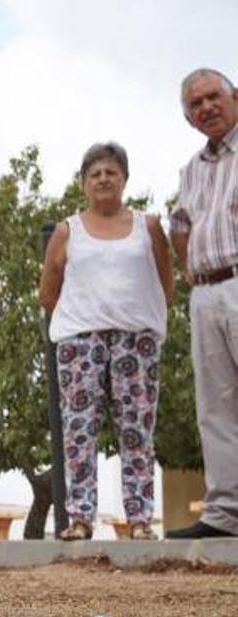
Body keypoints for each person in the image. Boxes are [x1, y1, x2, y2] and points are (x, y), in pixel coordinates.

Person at [38, 142, 173, 540]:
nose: (103, 179)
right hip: (80, 341)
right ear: (83, 184)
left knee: (137, 430)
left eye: (111, 172)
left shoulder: (148, 228)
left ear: (124, 179)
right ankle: (79, 518)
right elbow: (48, 292)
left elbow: (167, 284)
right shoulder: (67, 231)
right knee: (79, 431)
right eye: (94, 173)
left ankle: (140, 520)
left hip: (137, 340)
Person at [165, 68, 238, 539]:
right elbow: (180, 221)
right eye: (196, 104)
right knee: (215, 405)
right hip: (205, 292)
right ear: (190, 119)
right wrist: (186, 259)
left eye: (213, 96)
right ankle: (226, 513)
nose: (206, 107)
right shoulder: (191, 169)